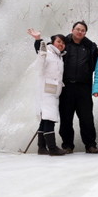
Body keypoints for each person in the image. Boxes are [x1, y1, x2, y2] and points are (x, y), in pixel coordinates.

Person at [35, 21, 98, 153]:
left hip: (83, 86)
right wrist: (37, 40)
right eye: (77, 29)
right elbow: (44, 53)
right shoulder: (63, 43)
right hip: (66, 87)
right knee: (66, 117)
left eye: (82, 30)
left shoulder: (90, 46)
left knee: (86, 117)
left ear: (85, 33)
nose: (79, 32)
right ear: (72, 29)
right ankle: (67, 145)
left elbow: (97, 63)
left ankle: (90, 144)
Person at [27, 28, 66, 156]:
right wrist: (38, 40)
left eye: (63, 43)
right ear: (52, 42)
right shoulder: (48, 52)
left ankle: (41, 147)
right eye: (58, 41)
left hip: (53, 91)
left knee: (44, 120)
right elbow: (41, 53)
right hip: (46, 91)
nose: (61, 44)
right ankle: (52, 148)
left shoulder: (59, 56)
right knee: (49, 118)